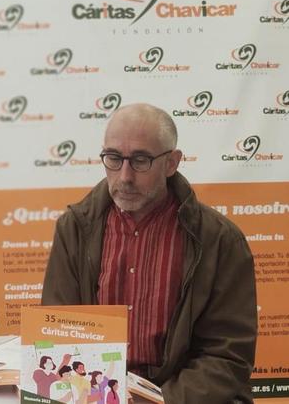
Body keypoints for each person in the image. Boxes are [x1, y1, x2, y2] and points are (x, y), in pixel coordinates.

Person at [43, 103, 257, 403]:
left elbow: (227, 357)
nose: (125, 176)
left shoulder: (220, 240)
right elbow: (59, 337)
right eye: (114, 159)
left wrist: (158, 401)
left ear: (172, 162)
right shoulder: (75, 229)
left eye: (141, 160)